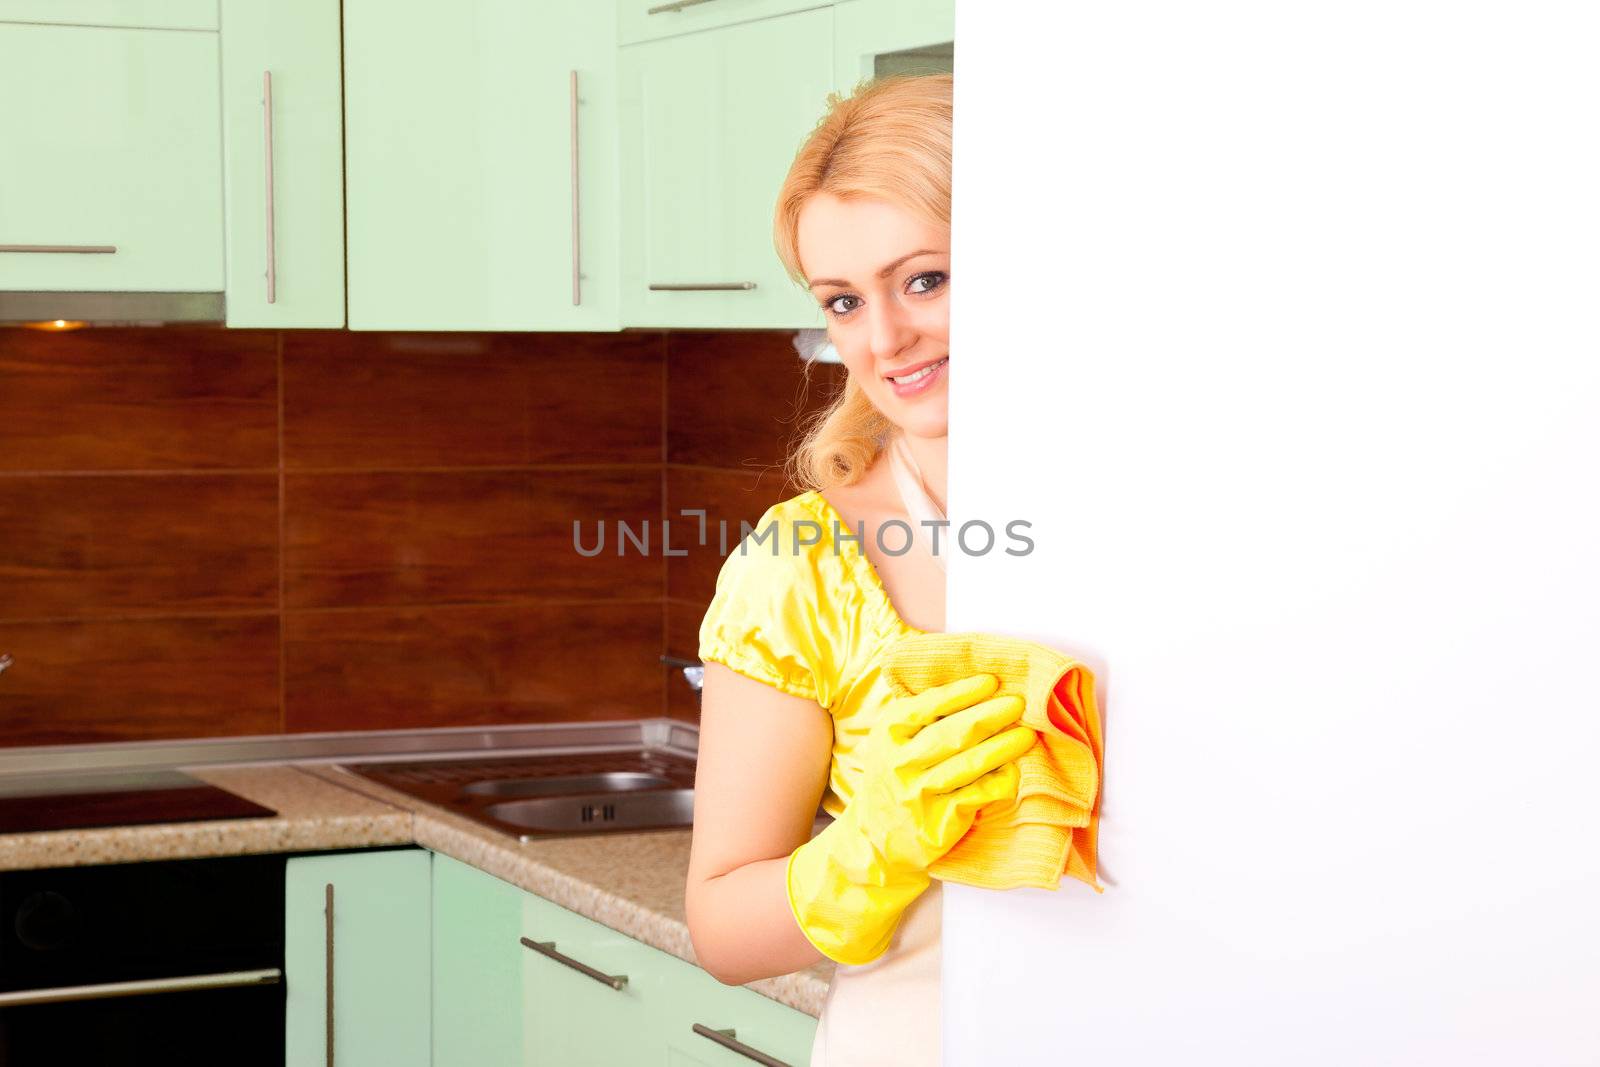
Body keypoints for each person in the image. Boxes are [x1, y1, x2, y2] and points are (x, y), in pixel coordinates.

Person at [684, 75, 1034, 1066]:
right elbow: (721, 925)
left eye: (924, 279)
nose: (884, 340)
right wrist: (877, 840)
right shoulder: (803, 563)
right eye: (843, 300)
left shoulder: (1181, 520)